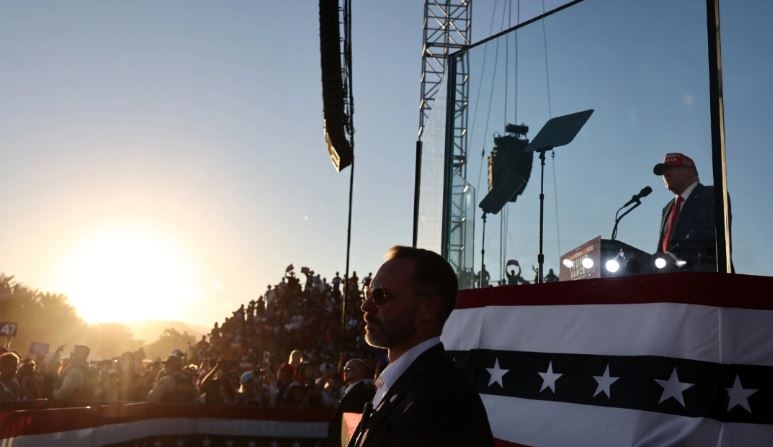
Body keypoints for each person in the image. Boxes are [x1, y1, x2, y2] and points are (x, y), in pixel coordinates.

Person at [348, 245, 494, 447]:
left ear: (427, 308)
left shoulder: (442, 403)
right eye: (368, 293)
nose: (366, 306)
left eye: (380, 295)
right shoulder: (410, 384)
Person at [653, 152, 727, 271]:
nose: (666, 174)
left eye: (671, 168)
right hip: (668, 281)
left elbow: (708, 231)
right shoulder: (667, 208)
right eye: (663, 171)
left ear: (690, 171)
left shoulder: (713, 194)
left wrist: (672, 256)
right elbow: (662, 248)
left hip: (704, 278)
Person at [328, 358, 376, 447]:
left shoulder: (361, 392)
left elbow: (352, 426)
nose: (345, 371)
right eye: (344, 368)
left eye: (349, 369)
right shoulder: (352, 391)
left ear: (361, 371)